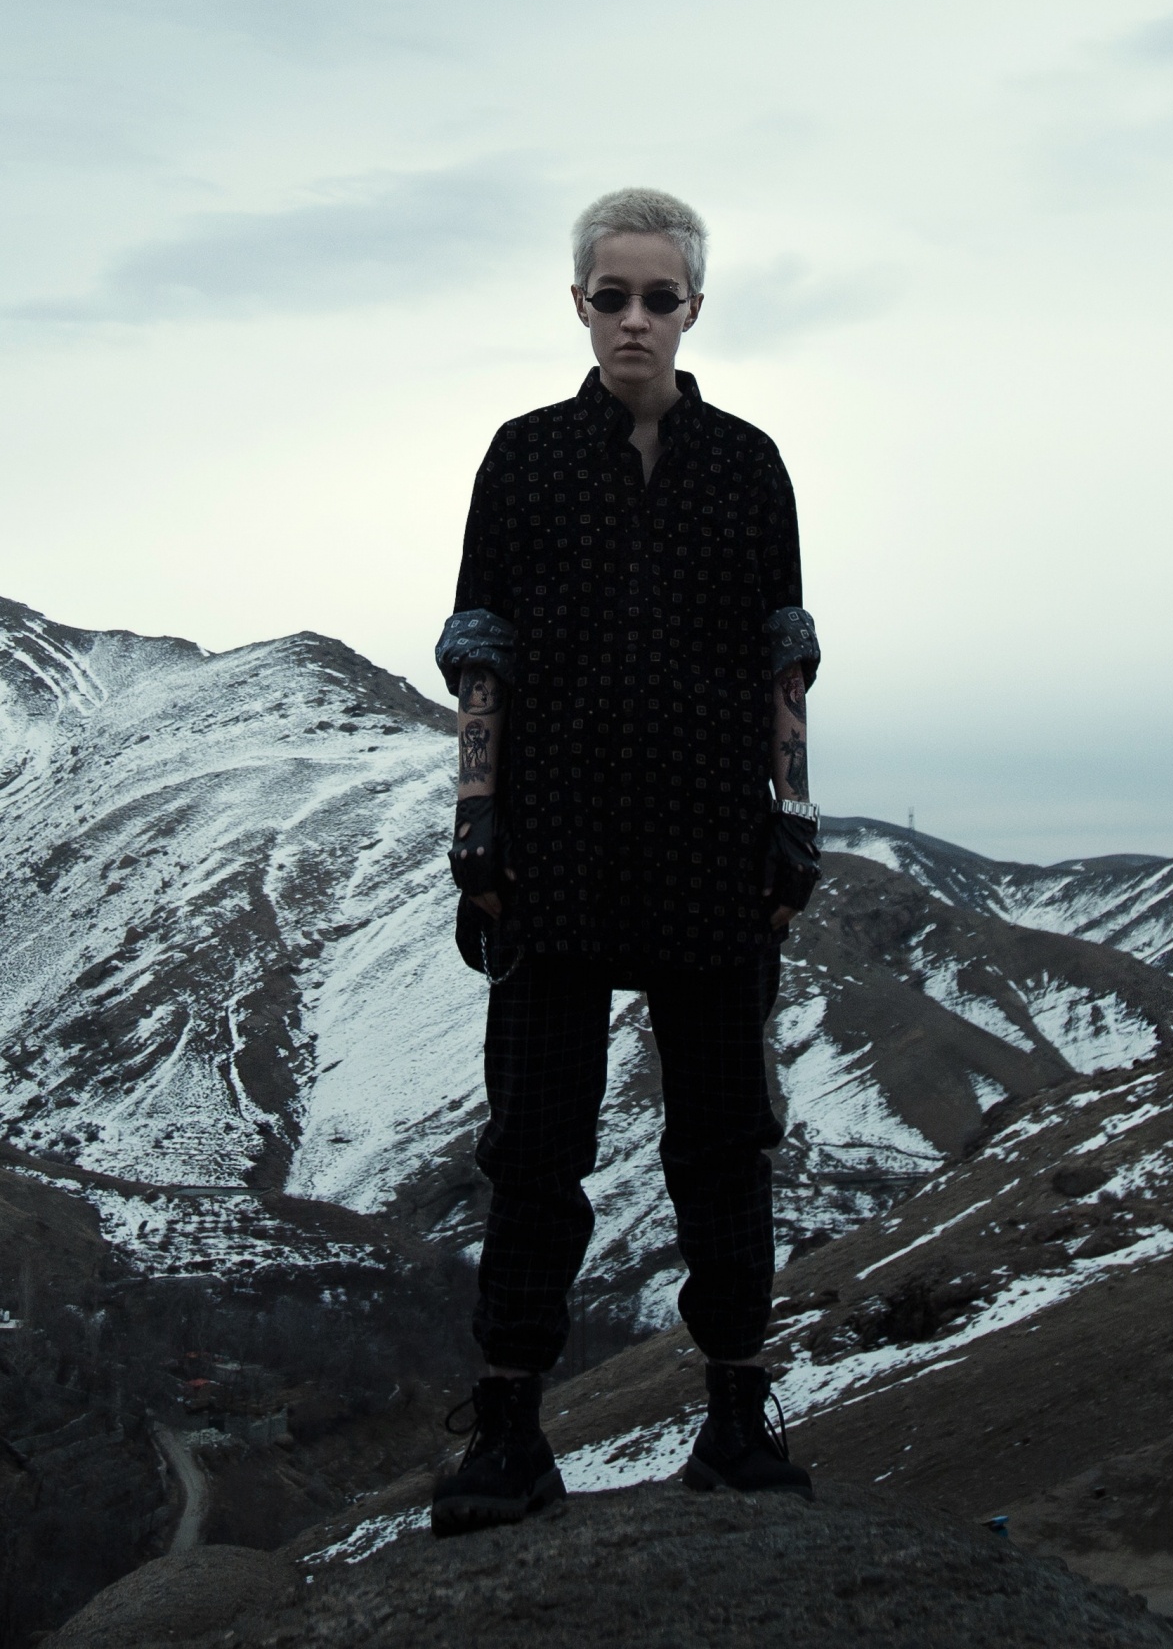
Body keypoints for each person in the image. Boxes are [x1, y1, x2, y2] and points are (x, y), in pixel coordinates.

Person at [430, 186, 821, 1535]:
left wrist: (795, 817)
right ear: (580, 304)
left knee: (724, 1147)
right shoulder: (523, 458)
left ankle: (733, 1417)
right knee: (534, 1147)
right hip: (551, 848)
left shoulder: (749, 463)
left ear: (693, 307)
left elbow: (785, 653)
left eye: (660, 296)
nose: (636, 318)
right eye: (613, 295)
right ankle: (507, 1433)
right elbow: (479, 645)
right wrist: (477, 825)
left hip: (711, 846)